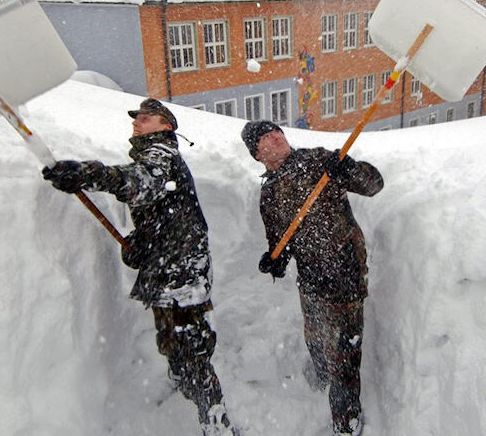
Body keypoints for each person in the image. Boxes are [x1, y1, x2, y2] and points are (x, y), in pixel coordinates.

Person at [42, 98, 233, 436]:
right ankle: (186, 388)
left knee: (194, 350)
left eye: (147, 117)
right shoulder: (152, 155)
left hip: (183, 274)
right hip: (167, 269)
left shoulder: (162, 154)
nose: (138, 122)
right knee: (172, 343)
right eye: (137, 117)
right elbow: (160, 212)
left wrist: (89, 174)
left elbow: (143, 183)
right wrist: (144, 245)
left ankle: (216, 423)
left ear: (166, 126)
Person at [241, 120, 384, 436]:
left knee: (344, 353)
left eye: (276, 131)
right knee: (316, 339)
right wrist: (276, 259)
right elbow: (281, 241)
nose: (276, 136)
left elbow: (374, 185)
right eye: (265, 136)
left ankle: (346, 421)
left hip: (345, 271)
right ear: (257, 154)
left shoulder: (319, 160)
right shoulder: (269, 194)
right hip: (311, 279)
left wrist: (347, 168)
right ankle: (320, 378)